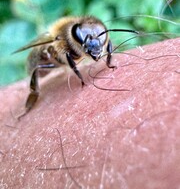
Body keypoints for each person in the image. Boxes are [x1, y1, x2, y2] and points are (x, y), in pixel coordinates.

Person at [0, 38, 179, 188]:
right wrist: (77, 74)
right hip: (45, 61)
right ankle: (31, 97)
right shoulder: (63, 42)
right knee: (40, 68)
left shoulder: (89, 38)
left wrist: (109, 61)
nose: (95, 45)